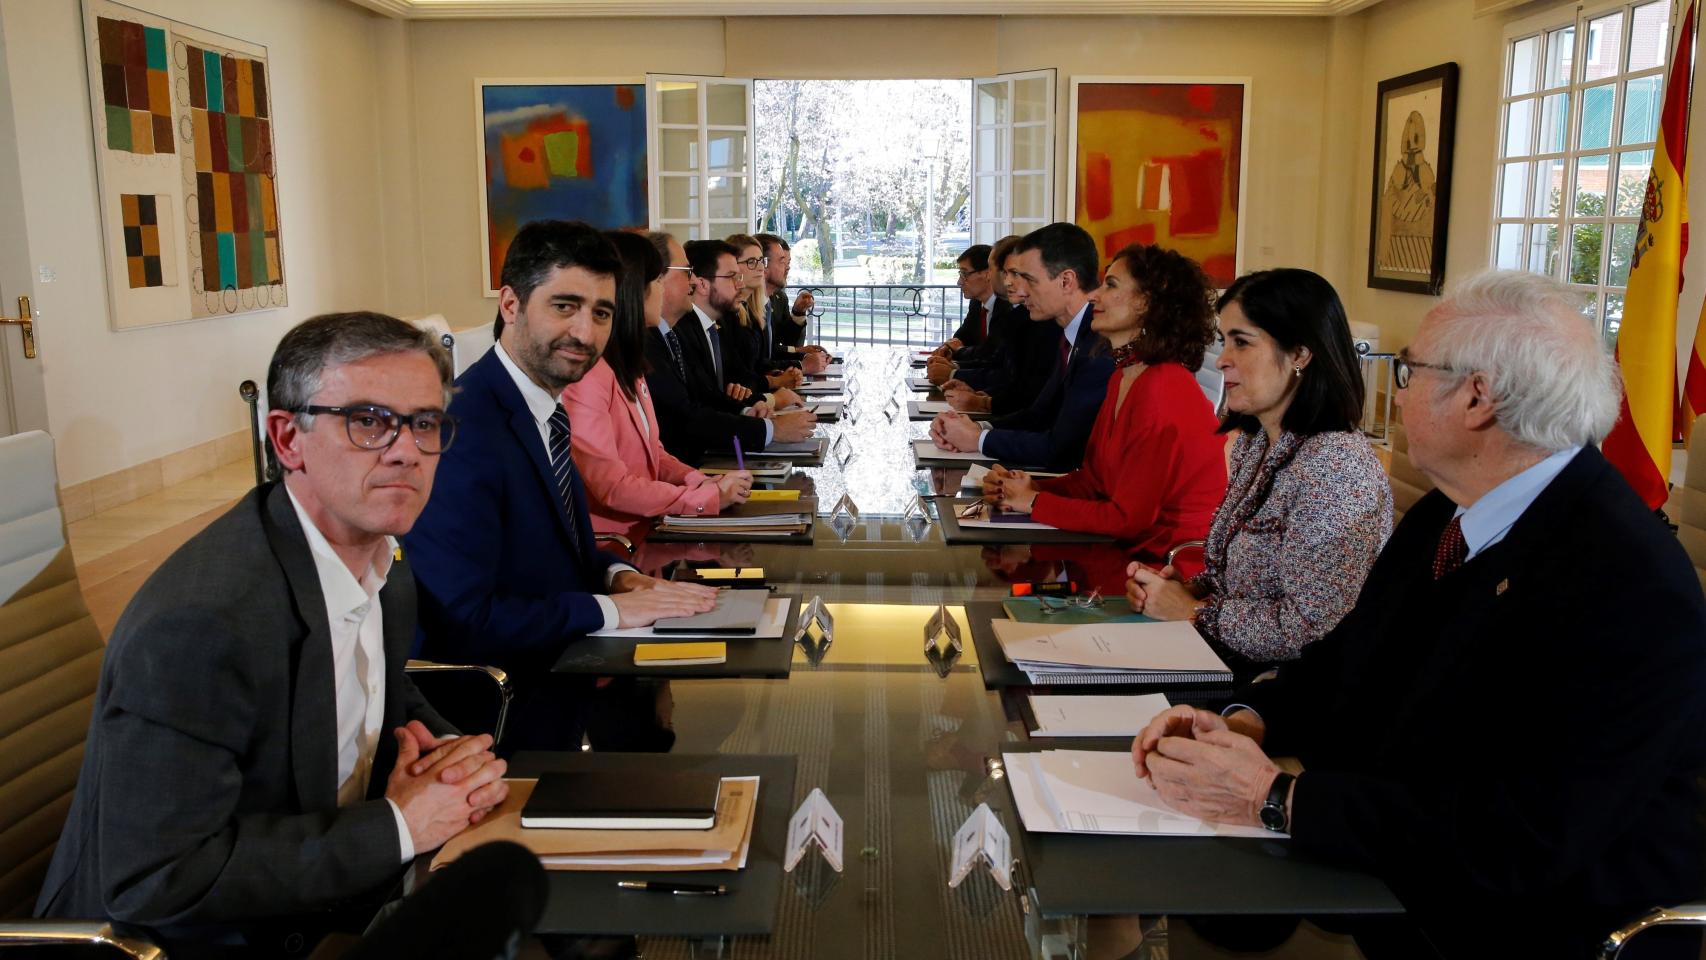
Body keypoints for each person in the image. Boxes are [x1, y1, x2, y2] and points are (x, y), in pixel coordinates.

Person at [1132, 270, 1706, 959]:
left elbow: (1528, 834)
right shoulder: (1450, 509)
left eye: (1408, 372)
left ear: (1477, 397)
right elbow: (1349, 661)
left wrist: (1277, 796)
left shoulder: (1628, 581)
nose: (1394, 394)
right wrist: (1245, 721)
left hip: (1524, 923)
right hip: (1397, 858)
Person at [36, 313, 510, 954]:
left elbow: (371, 684)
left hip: (318, 896)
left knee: (529, 889)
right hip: (192, 942)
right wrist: (399, 826)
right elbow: (157, 881)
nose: (406, 450)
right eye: (368, 422)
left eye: (424, 423)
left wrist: (450, 755)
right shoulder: (201, 625)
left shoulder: (384, 565)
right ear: (288, 440)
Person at [403, 220, 719, 755]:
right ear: (510, 305)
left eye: (601, 313)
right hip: (497, 726)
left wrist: (619, 577)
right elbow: (467, 618)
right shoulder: (461, 429)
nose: (585, 333)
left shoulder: (545, 406)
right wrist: (611, 611)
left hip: (563, 680)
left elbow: (556, 547)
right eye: (564, 306)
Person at [1126, 268, 1392, 680]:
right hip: (1222, 659)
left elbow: (1314, 630)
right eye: (1224, 341)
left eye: (1242, 343)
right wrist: (1183, 587)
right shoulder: (1259, 443)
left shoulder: (1335, 468)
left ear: (1301, 354)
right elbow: (1246, 581)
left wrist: (1194, 611)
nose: (1223, 359)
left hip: (1274, 694)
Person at [982, 244, 1226, 560]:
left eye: (1110, 285)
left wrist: (1032, 501)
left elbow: (1128, 519)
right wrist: (1030, 487)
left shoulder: (1162, 387)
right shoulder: (1124, 376)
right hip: (1125, 553)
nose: (1094, 296)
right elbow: (1093, 481)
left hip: (1164, 568)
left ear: (1146, 302)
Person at [563, 230, 753, 540]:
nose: (662, 291)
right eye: (656, 282)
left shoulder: (630, 365)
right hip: (618, 545)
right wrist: (704, 498)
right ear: (633, 291)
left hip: (650, 526)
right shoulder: (587, 377)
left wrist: (699, 480)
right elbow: (614, 487)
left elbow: (655, 454)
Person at [930, 222, 1113, 471]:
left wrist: (978, 439)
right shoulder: (1071, 333)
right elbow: (1037, 414)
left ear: (1066, 281)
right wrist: (976, 429)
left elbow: (1061, 448)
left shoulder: (1098, 345)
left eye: (1028, 279)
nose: (1019, 290)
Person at [640, 232, 807, 467]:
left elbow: (706, 396)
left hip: (696, 467)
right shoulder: (653, 339)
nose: (692, 281)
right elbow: (686, 417)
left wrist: (748, 410)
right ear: (655, 278)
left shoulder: (676, 332)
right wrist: (770, 428)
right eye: (687, 272)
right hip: (689, 467)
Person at [940, 235, 1059, 415]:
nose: (1008, 281)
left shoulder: (1027, 317)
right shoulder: (1017, 314)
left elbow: (1025, 390)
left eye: (1015, 273)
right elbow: (1002, 368)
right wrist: (982, 396)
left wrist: (983, 402)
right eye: (1006, 272)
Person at [722, 232, 803, 392]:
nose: (761, 268)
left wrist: (776, 374)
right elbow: (735, 377)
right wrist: (773, 383)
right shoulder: (726, 313)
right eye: (752, 262)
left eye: (761, 261)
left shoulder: (759, 306)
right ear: (732, 268)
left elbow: (758, 361)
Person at [755, 232, 829, 371]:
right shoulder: (744, 307)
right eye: (782, 261)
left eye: (788, 262)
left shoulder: (777, 297)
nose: (787, 268)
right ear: (762, 265)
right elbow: (760, 360)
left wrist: (798, 312)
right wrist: (802, 362)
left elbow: (781, 343)